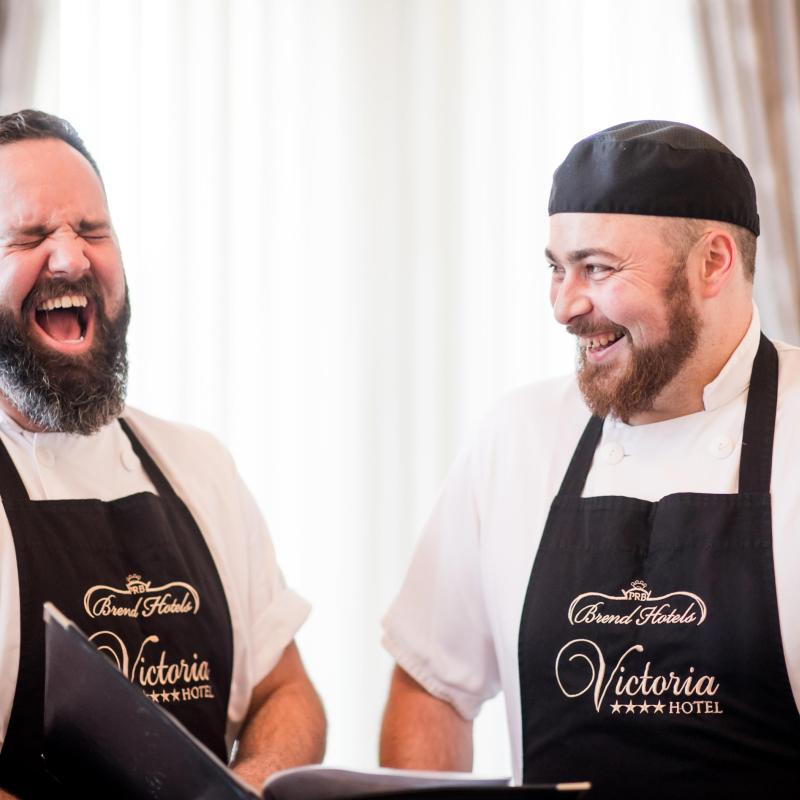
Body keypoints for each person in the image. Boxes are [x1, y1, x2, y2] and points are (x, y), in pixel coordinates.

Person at [379, 120, 800, 797]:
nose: (564, 306)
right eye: (556, 267)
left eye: (597, 269)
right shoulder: (517, 436)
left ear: (714, 263)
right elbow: (432, 685)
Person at [0, 110, 325, 798]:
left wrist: (248, 785)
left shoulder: (198, 467)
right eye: (30, 236)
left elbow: (287, 694)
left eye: (92, 231)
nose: (70, 258)